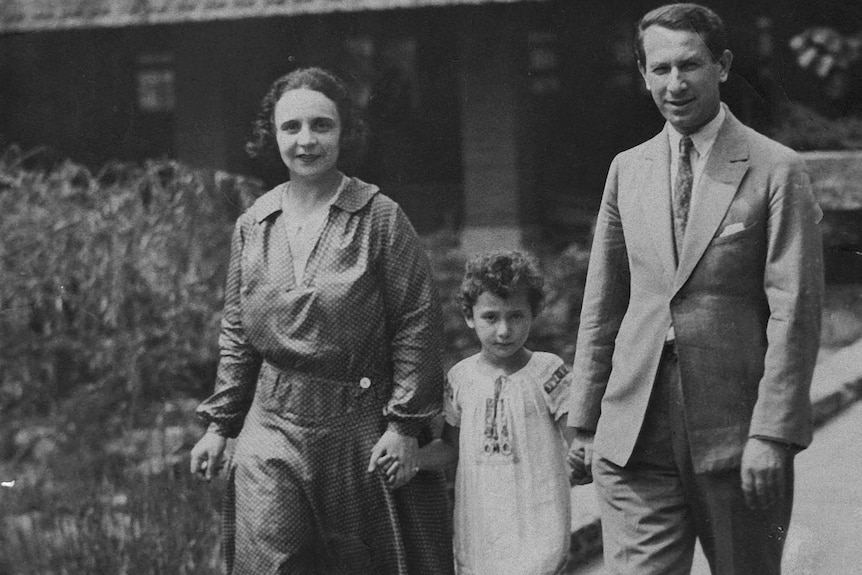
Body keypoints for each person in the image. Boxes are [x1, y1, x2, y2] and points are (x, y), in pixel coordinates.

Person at [566, 4, 824, 574]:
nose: (674, 84)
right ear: (643, 74)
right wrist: (585, 419)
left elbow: (795, 312)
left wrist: (773, 434)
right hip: (634, 431)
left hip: (735, 434)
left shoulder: (775, 169)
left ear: (722, 65)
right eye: (659, 69)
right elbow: (602, 303)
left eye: (690, 65)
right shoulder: (626, 170)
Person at [189, 66, 454, 575]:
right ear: (273, 135)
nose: (306, 140)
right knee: (272, 560)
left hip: (358, 421)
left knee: (360, 560)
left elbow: (417, 323)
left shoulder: (379, 217)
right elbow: (239, 334)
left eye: (321, 126)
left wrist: (404, 425)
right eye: (292, 128)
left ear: (343, 132)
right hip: (273, 421)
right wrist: (221, 425)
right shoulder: (254, 225)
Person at [382, 251, 576, 575]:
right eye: (490, 317)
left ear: (534, 313)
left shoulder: (548, 372)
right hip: (481, 520)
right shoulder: (460, 379)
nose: (503, 330)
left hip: (538, 513)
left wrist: (591, 455)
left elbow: (577, 442)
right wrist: (407, 459)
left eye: (515, 316)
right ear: (470, 316)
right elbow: (451, 448)